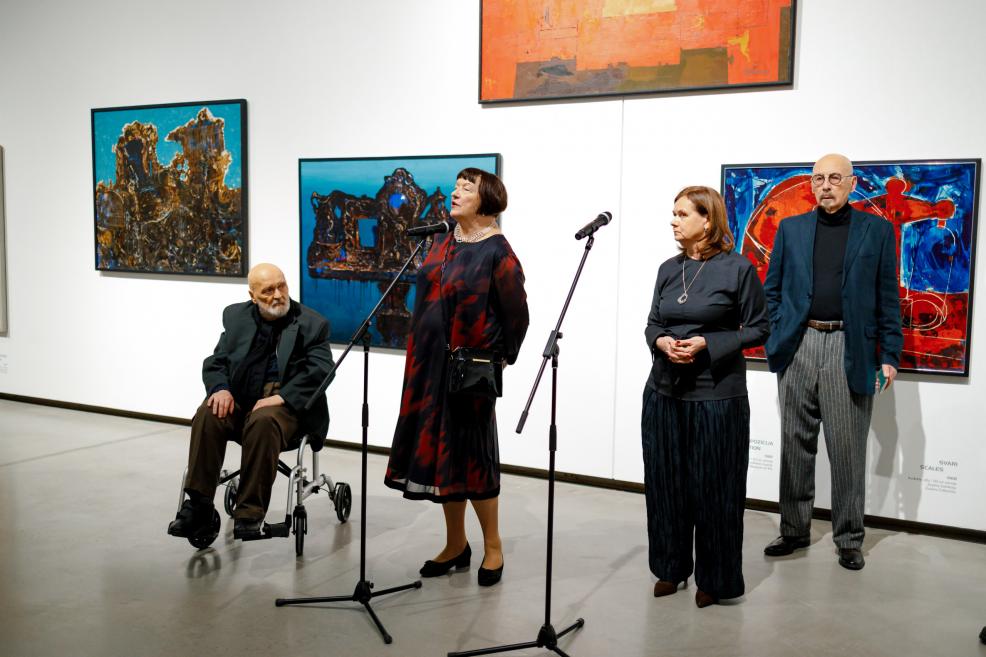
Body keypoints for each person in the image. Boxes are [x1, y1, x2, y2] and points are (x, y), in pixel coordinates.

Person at [384, 168, 528, 587]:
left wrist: (498, 360)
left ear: (487, 199)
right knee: (442, 458)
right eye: (455, 186)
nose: (455, 192)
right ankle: (455, 545)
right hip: (428, 367)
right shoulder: (443, 241)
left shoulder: (499, 252)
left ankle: (494, 546)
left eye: (467, 188)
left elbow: (517, 315)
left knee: (473, 458)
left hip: (470, 371)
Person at [762, 153, 903, 570]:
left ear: (852, 183)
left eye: (835, 178)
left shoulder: (876, 231)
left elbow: (887, 296)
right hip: (800, 344)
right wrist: (780, 331)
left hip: (850, 346)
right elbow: (773, 289)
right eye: (819, 178)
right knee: (795, 444)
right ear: (812, 183)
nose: (826, 185)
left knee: (846, 448)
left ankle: (848, 537)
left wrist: (890, 355)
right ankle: (793, 529)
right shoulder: (791, 229)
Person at [642, 186, 768, 608]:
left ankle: (714, 578)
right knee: (665, 485)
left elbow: (758, 328)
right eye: (672, 213)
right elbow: (653, 322)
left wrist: (706, 344)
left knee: (716, 489)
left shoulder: (738, 270)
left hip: (717, 396)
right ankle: (671, 568)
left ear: (707, 221)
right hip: (663, 392)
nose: (673, 221)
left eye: (682, 214)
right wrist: (661, 343)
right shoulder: (666, 268)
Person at [167, 263, 335, 542]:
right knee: (209, 413)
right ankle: (199, 506)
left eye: (282, 286)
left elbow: (322, 369)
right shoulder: (236, 317)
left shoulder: (311, 323)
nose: (278, 295)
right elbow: (217, 361)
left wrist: (281, 397)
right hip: (243, 401)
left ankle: (249, 514)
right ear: (252, 296)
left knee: (264, 420)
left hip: (288, 409)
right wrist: (220, 389)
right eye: (268, 290)